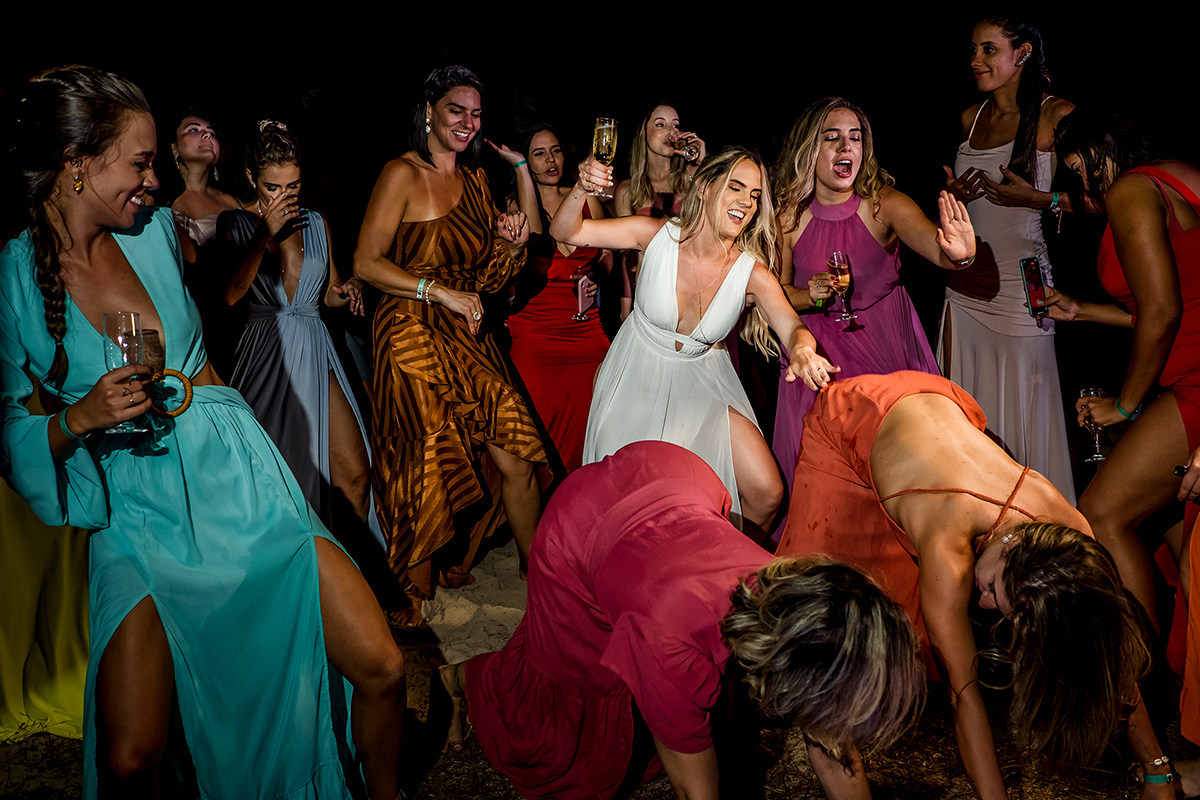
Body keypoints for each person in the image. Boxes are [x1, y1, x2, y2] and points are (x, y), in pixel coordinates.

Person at [0, 66, 404, 800]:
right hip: (137, 506)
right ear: (76, 162)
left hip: (237, 470)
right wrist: (74, 420)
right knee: (130, 757)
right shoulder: (16, 276)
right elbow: (7, 426)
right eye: (139, 161)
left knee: (381, 664)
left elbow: (225, 273)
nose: (153, 180)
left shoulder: (157, 231)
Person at [437, 440, 925, 800]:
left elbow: (831, 731)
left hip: (673, 477)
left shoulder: (810, 611)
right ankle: (456, 678)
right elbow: (699, 796)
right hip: (581, 526)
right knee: (565, 706)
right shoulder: (671, 644)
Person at [776, 372, 1166, 800]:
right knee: (826, 646)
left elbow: (1105, 641)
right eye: (995, 592)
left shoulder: (1069, 533)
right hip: (851, 421)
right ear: (1013, 544)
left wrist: (1157, 772)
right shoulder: (948, 546)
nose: (982, 604)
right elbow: (966, 698)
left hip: (933, 406)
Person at [552, 146, 838, 540]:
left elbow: (791, 326)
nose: (746, 203)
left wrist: (804, 349)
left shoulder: (750, 272)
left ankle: (716, 571)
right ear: (704, 186)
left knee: (766, 492)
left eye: (755, 196)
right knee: (626, 505)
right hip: (637, 376)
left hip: (701, 386)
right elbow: (566, 232)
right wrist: (582, 189)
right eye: (736, 187)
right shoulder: (654, 235)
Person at [353, 65, 548, 621]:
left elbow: (487, 281)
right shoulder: (401, 173)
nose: (467, 122)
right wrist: (434, 290)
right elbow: (366, 263)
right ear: (430, 112)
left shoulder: (479, 183)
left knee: (516, 442)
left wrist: (509, 251)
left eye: (476, 114)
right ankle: (414, 590)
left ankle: (537, 574)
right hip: (409, 329)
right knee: (426, 452)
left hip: (466, 328)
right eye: (457, 110)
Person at [1046, 111, 1200, 743]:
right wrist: (1083, 310)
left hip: (1192, 388)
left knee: (1103, 513)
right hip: (1187, 374)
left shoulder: (1131, 188)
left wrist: (1127, 406)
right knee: (1173, 543)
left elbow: (1162, 313)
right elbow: (1172, 302)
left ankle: (1143, 695)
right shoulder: (1181, 177)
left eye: (1073, 160)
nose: (1072, 175)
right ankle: (1180, 682)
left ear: (1094, 148)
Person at [771, 96, 976, 487]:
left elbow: (940, 252)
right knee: (830, 482)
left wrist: (962, 255)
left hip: (887, 348)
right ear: (808, 150)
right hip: (821, 358)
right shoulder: (787, 218)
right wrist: (810, 295)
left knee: (905, 470)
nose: (846, 147)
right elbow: (774, 294)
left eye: (855, 137)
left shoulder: (884, 205)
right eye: (831, 138)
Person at [219, 120, 378, 550]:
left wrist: (348, 292)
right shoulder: (234, 223)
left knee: (354, 472)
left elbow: (328, 292)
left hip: (315, 343)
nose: (285, 196)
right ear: (253, 179)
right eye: (273, 186)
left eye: (293, 185)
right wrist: (264, 235)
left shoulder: (316, 222)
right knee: (271, 482)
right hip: (266, 352)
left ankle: (352, 575)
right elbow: (231, 295)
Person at [939, 16, 1078, 503]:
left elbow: (1103, 201)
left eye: (987, 50)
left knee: (1025, 410)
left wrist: (1037, 199)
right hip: (967, 285)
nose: (975, 61)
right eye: (972, 50)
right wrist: (956, 197)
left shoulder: (1055, 115)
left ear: (1021, 53)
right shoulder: (968, 119)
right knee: (970, 411)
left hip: (1026, 288)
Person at [503, 123, 611, 474]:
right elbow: (533, 246)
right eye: (539, 154)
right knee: (542, 440)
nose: (551, 160)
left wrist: (596, 275)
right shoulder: (512, 206)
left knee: (599, 429)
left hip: (585, 329)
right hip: (535, 334)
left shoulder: (584, 196)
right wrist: (518, 169)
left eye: (556, 151)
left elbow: (609, 252)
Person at [167, 112, 239, 248]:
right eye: (193, 130)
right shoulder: (166, 204)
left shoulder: (230, 201)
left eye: (212, 133)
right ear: (174, 148)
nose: (208, 135)